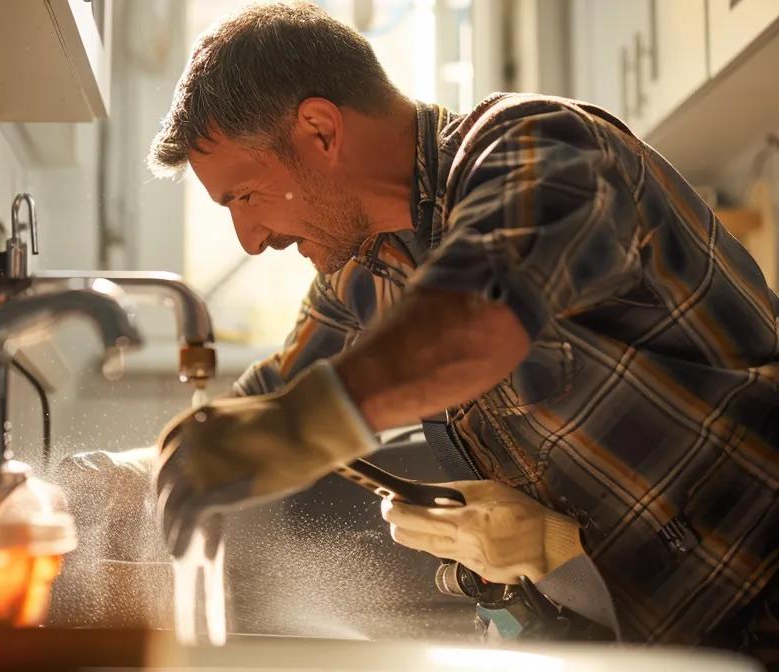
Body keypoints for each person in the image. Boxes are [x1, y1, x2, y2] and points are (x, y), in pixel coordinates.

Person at [146, 1, 778, 659]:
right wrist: (130, 472)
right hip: (654, 644)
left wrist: (299, 428)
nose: (250, 240)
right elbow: (264, 404)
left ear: (320, 130)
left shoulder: (542, 145)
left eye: (244, 196)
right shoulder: (364, 268)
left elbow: (473, 322)